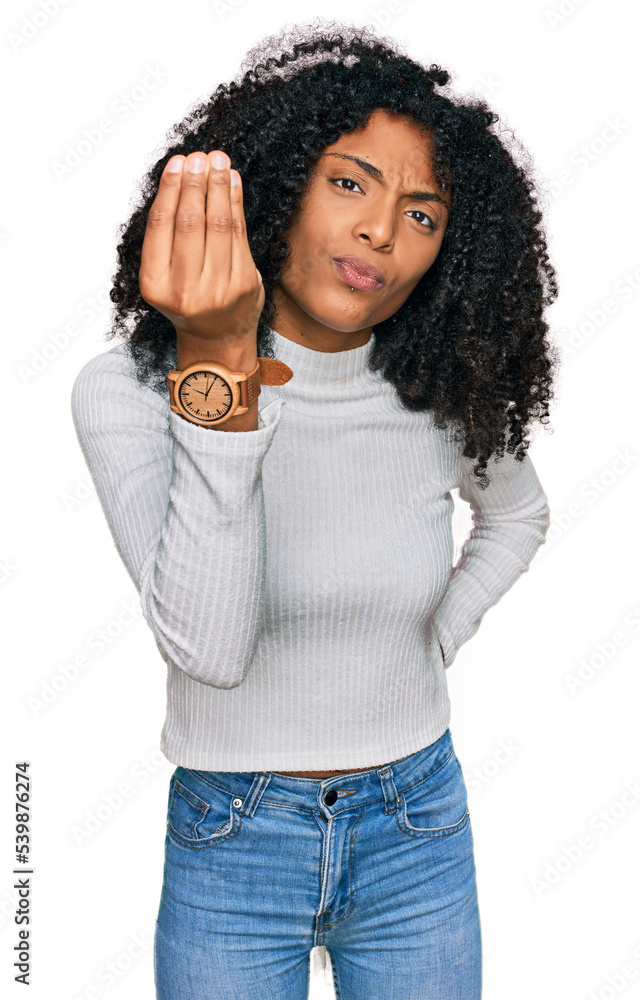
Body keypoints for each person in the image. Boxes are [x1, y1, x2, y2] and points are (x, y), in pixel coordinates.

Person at [70, 20, 559, 1000]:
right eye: (350, 183)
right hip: (233, 833)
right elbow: (209, 646)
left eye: (422, 215)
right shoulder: (124, 393)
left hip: (413, 822)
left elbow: (518, 516)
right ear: (278, 183)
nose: (382, 230)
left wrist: (435, 637)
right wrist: (217, 362)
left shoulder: (439, 387)